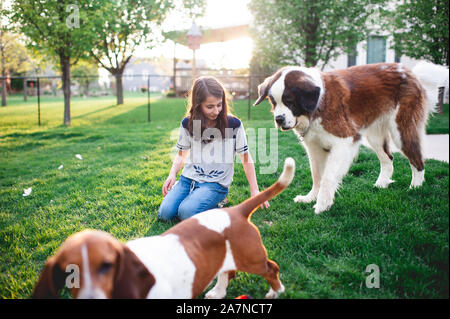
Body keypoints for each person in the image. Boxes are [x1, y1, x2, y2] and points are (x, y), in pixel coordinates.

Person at [158, 76, 269, 221]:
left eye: (219, 105)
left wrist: (254, 190)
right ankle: (192, 196)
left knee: (186, 213)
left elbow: (245, 157)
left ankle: (218, 201)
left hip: (215, 184)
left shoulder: (233, 124)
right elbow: (181, 154)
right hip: (187, 180)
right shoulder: (188, 123)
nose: (216, 111)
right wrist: (172, 174)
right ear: (198, 105)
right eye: (209, 106)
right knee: (165, 214)